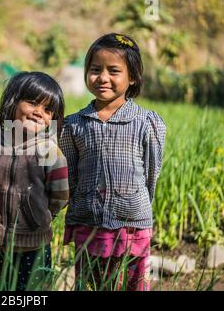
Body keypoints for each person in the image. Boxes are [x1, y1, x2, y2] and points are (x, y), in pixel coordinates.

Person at [59, 33, 166, 291]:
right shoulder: (73, 124)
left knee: (132, 283)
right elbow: (69, 174)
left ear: (132, 77)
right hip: (89, 220)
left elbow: (152, 172)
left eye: (113, 70)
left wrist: (135, 202)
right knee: (91, 283)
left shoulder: (146, 122)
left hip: (131, 223)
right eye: (95, 69)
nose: (103, 77)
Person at [0, 71, 69, 291]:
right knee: (1, 286)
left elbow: (60, 195)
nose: (38, 112)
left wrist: (41, 216)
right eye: (32, 102)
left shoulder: (49, 152)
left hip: (33, 239)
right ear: (13, 102)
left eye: (47, 109)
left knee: (32, 291)